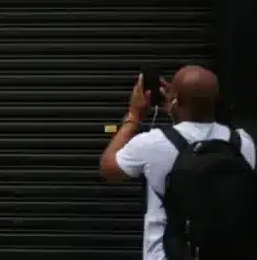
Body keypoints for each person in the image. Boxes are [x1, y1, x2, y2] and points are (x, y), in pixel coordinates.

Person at [98, 65, 257, 260]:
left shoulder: (153, 143)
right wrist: (181, 107)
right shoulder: (242, 143)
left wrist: (133, 116)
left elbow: (108, 168)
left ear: (175, 101)